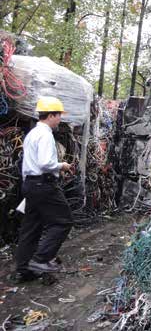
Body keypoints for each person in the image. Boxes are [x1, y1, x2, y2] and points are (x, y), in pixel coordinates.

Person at [14, 96, 73, 282]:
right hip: (43, 184)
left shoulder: (32, 133)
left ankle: (24, 269)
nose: (60, 119)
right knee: (63, 221)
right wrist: (62, 165)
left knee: (31, 227)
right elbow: (45, 163)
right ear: (51, 115)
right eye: (59, 116)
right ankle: (41, 259)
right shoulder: (46, 134)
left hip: (30, 184)